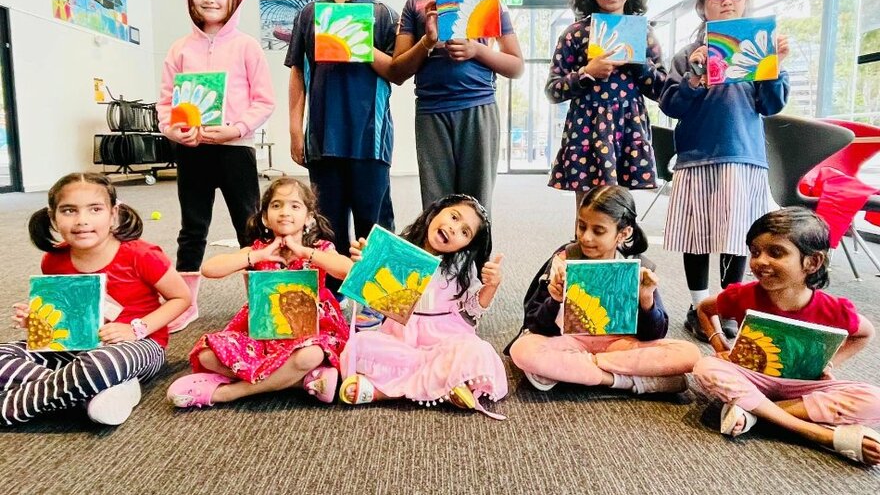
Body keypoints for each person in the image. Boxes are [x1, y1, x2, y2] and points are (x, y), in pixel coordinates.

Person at [659, 0, 790, 342]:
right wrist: (696, 74)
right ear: (703, 7)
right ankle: (701, 306)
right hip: (697, 157)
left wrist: (774, 67)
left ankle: (729, 306)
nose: (727, 2)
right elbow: (672, 105)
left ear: (747, 1)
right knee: (695, 233)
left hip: (743, 156)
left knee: (738, 235)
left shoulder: (759, 50)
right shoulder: (688, 54)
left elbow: (772, 104)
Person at [693, 207, 880, 466]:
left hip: (802, 385)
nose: (760, 261)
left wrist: (830, 364)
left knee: (874, 400)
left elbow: (864, 334)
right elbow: (704, 309)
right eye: (755, 252)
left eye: (776, 253)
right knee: (706, 366)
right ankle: (817, 432)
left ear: (812, 262)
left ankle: (755, 414)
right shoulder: (743, 295)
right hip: (751, 377)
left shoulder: (833, 309)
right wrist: (718, 343)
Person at [3, 173, 190, 426]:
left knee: (102, 363)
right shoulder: (53, 259)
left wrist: (137, 329)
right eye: (69, 211)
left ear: (113, 215)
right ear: (53, 218)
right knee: (3, 355)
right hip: (74, 349)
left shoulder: (142, 254)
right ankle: (92, 394)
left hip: (139, 347)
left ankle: (12, 405)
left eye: (94, 210)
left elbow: (181, 298)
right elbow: (63, 315)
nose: (82, 221)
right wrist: (38, 322)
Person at [157, 0, 275, 332]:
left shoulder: (247, 46)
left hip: (235, 149)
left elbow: (264, 101)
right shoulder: (179, 49)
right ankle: (185, 304)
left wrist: (236, 128)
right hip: (191, 151)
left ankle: (259, 298)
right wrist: (177, 132)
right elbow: (165, 105)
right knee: (192, 226)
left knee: (250, 225)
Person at [166, 178, 351, 407]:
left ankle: (231, 392)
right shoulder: (259, 249)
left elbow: (348, 271)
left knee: (311, 355)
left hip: (310, 332)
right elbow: (209, 269)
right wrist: (257, 257)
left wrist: (304, 252)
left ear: (309, 218)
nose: (285, 212)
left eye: (295, 206)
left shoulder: (319, 248)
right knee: (207, 355)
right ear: (265, 217)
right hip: (262, 334)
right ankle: (300, 381)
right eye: (276, 205)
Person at [390, 0, 524, 215]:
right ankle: (441, 265)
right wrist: (427, 42)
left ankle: (478, 265)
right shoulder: (417, 4)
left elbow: (516, 65)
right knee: (436, 208)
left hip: (478, 108)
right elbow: (397, 71)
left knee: (477, 208)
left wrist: (477, 51)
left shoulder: (489, 1)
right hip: (432, 112)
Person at [506, 185, 700, 394]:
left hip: (620, 345)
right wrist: (554, 300)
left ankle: (574, 370)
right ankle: (625, 381)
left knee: (689, 353)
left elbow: (654, 334)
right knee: (523, 350)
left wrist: (646, 299)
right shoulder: (565, 258)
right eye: (581, 227)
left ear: (623, 233)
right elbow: (536, 326)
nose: (586, 237)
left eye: (598, 231)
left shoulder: (637, 266)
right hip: (570, 343)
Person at [286, 0, 399, 268]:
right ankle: (333, 298)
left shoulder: (384, 15)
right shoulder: (308, 15)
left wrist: (360, 45)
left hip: (371, 139)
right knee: (327, 228)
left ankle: (376, 302)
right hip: (322, 139)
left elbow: (397, 73)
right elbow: (299, 76)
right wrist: (294, 130)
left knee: (374, 225)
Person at [337, 194, 507, 418]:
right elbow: (375, 297)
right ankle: (444, 387)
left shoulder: (461, 265)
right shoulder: (400, 247)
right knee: (360, 345)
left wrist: (490, 287)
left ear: (468, 244)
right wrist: (365, 262)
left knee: (477, 351)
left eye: (465, 232)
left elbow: (473, 310)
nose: (454, 229)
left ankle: (383, 392)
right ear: (436, 211)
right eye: (454, 217)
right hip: (402, 336)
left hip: (447, 337)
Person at [545, 0, 665, 211]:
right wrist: (587, 71)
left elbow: (661, 88)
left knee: (618, 211)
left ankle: (617, 254)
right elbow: (553, 89)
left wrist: (638, 64)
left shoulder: (644, 33)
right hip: (586, 129)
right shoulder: (575, 34)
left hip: (626, 128)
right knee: (587, 208)